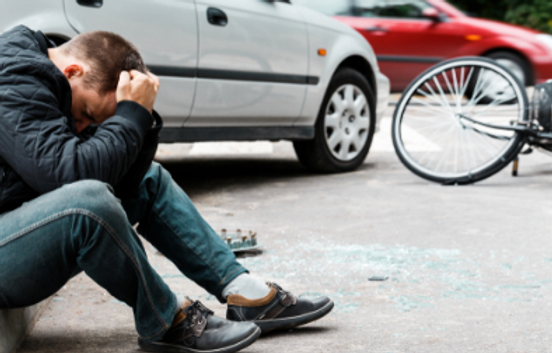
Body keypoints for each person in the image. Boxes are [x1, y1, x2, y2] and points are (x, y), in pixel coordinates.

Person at [0, 25, 334, 353]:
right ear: (73, 71)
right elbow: (70, 176)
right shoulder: (14, 80)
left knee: (149, 179)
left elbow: (125, 181)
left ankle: (243, 291)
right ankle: (164, 320)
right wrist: (130, 116)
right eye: (86, 114)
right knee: (89, 205)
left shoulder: (50, 79)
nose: (81, 127)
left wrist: (140, 116)